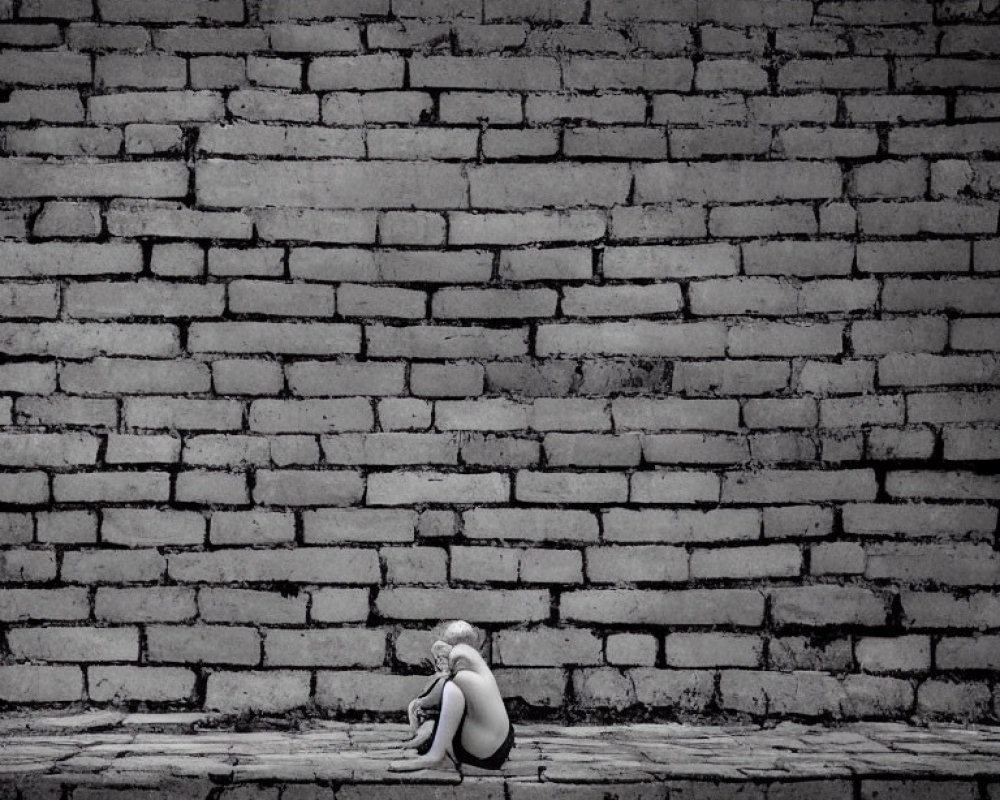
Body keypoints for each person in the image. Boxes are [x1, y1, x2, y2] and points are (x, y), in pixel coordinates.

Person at [388, 628, 515, 771]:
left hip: (481, 751)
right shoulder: (479, 669)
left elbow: (438, 690)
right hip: (503, 744)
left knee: (451, 689)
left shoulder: (458, 659)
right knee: (453, 694)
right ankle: (435, 746)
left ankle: (438, 755)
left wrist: (418, 704)